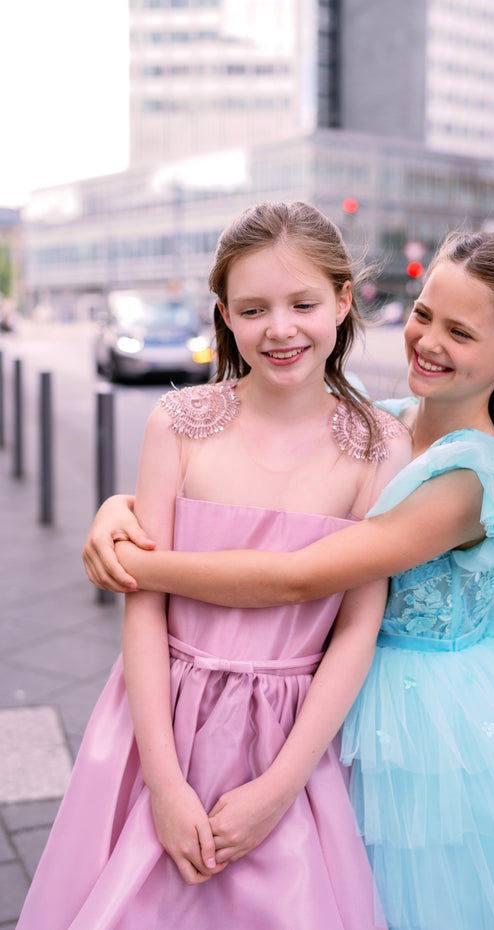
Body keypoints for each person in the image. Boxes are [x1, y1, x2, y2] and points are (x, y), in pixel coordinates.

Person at [84, 230, 494, 930]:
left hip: (419, 718)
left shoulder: (471, 479)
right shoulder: (385, 423)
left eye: (460, 331)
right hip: (338, 695)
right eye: (423, 313)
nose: (427, 340)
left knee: (405, 900)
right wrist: (123, 509)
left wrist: (139, 562)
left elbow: (299, 576)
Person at [17, 202, 413, 930]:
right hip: (162, 718)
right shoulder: (179, 423)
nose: (281, 328)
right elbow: (145, 604)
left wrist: (280, 787)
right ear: (225, 315)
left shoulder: (379, 443)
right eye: (253, 308)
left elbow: (359, 625)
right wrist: (164, 786)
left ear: (343, 302)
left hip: (293, 735)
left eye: (303, 303)